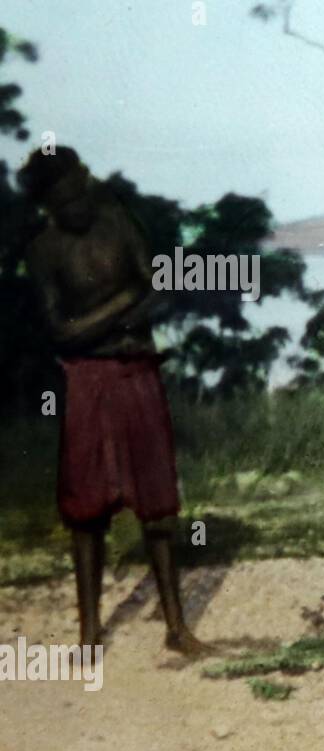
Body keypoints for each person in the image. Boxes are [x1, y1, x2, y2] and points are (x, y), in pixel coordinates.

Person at [19, 147, 209, 655]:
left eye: (82, 188)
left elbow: (160, 288)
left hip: (139, 372)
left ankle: (176, 627)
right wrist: (126, 305)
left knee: (158, 501)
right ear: (48, 205)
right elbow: (61, 331)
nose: (80, 202)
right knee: (85, 506)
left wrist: (113, 318)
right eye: (66, 197)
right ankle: (89, 633)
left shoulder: (118, 223)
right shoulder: (43, 251)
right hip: (85, 380)